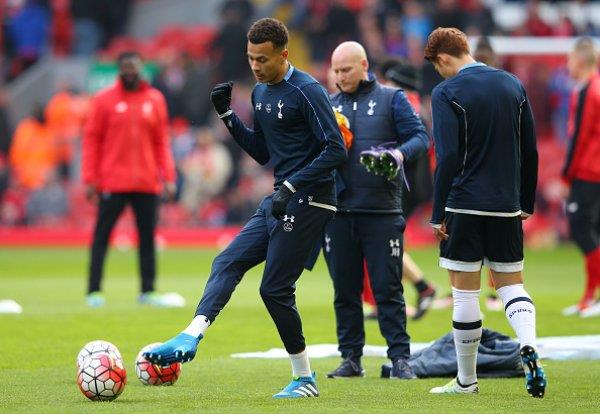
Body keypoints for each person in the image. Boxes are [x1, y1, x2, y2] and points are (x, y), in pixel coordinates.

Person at [143, 18, 346, 398]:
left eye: (263, 59)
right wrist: (228, 117)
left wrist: (292, 184)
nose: (255, 66)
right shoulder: (260, 93)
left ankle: (304, 379)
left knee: (274, 289)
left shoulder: (307, 91)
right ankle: (191, 335)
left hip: (312, 198)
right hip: (281, 196)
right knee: (227, 261)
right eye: (251, 58)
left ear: (284, 55)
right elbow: (265, 153)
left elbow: (336, 149)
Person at [424, 28, 546, 397]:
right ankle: (528, 344)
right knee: (511, 286)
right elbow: (531, 149)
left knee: (464, 295)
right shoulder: (512, 84)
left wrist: (437, 213)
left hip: (463, 204)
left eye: (437, 66)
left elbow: (447, 156)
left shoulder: (446, 91)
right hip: (506, 205)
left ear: (443, 58)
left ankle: (467, 381)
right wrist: (526, 202)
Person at [324, 42, 429, 379]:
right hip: (339, 212)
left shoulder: (392, 99)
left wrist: (397, 155)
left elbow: (420, 138)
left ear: (364, 65)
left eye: (346, 70)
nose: (340, 77)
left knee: (388, 288)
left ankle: (400, 358)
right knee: (345, 289)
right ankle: (351, 358)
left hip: (382, 211)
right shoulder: (329, 105)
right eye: (336, 71)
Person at [82, 51, 178, 308]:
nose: (130, 72)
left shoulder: (154, 99)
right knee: (102, 236)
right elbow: (92, 141)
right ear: (119, 70)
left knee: (147, 238)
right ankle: (94, 291)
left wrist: (168, 176)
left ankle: (148, 290)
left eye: (133, 67)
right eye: (125, 68)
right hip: (113, 181)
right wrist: (90, 179)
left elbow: (161, 141)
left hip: (146, 181)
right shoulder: (104, 100)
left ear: (141, 69)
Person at [561, 37, 600, 317]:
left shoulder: (587, 90)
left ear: (581, 61)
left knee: (581, 228)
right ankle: (590, 297)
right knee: (592, 230)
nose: (567, 65)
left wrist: (566, 175)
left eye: (570, 60)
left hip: (589, 171)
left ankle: (590, 297)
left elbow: (579, 137)